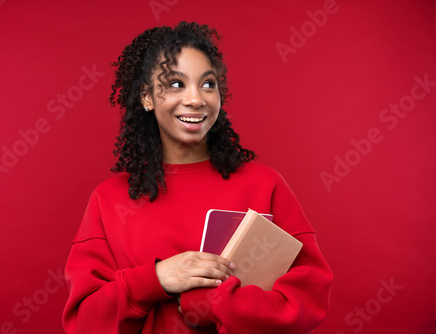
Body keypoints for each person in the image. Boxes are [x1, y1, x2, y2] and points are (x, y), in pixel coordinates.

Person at [62, 21, 333, 334]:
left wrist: (212, 303)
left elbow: (307, 300)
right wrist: (156, 279)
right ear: (147, 97)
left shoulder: (264, 185)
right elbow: (85, 322)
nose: (196, 99)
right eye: (176, 84)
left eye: (208, 84)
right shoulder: (109, 200)